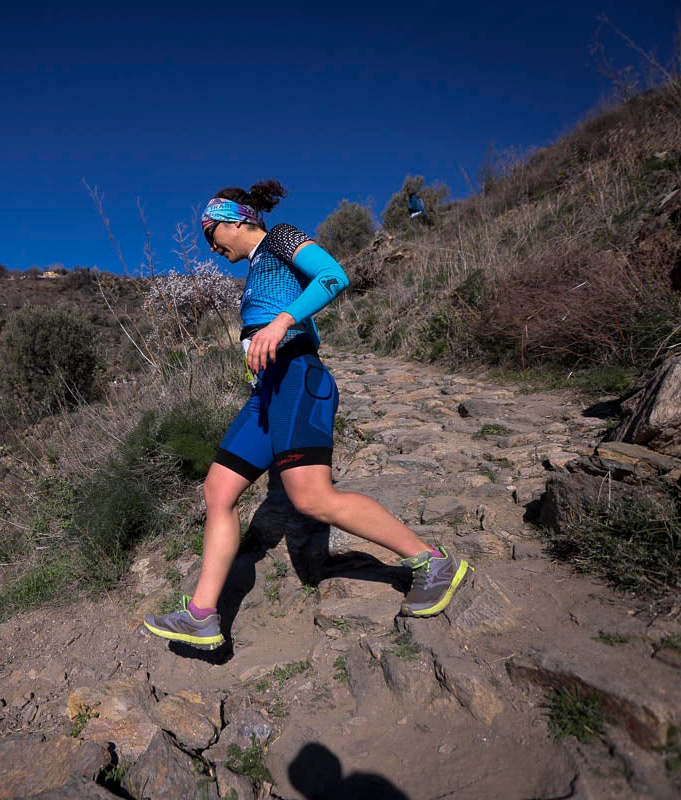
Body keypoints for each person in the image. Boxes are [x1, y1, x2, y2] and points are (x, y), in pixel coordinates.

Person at [143, 180, 470, 651]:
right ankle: (201, 616)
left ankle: (432, 562)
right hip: (267, 393)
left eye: (211, 233)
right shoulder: (255, 272)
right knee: (218, 489)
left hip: (299, 378)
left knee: (312, 498)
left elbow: (333, 275)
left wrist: (282, 322)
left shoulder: (279, 239)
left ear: (237, 220)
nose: (210, 246)